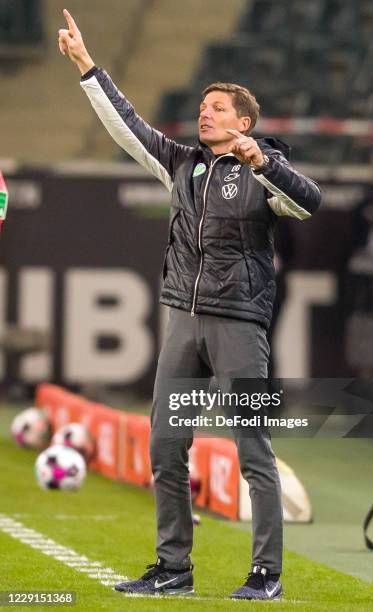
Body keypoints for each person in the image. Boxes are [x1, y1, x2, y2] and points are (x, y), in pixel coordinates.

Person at [58, 9, 321, 601]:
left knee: (254, 450)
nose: (205, 111)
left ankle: (266, 576)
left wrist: (264, 162)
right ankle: (172, 567)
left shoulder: (263, 172)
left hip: (240, 326)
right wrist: (86, 65)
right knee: (166, 448)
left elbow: (309, 202)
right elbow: (127, 126)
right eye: (203, 106)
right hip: (183, 320)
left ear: (245, 121)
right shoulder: (182, 164)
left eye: (218, 107)